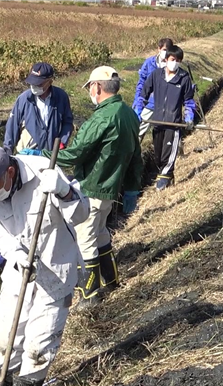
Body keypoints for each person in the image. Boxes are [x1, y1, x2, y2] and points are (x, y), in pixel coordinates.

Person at [0, 145, 89, 386]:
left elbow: (81, 215)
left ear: (9, 172)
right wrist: (15, 254)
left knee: (38, 347)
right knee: (3, 346)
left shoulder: (43, 172)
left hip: (55, 273)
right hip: (18, 271)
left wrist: (64, 192)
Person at [36, 66, 143, 306]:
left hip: (94, 185)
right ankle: (111, 279)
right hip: (111, 186)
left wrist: (43, 154)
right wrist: (132, 187)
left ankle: (90, 294)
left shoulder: (103, 117)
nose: (90, 91)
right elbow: (136, 154)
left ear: (96, 87)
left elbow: (75, 153)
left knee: (85, 238)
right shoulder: (127, 112)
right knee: (101, 232)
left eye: (90, 87)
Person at [139, 44, 197, 191]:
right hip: (157, 122)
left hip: (173, 124)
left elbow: (189, 101)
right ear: (166, 59)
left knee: (168, 154)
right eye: (172, 59)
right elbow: (143, 94)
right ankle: (166, 176)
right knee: (158, 155)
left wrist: (189, 116)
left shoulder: (183, 78)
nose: (175, 62)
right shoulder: (156, 75)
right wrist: (138, 110)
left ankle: (165, 176)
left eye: (178, 60)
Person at [3, 62, 73, 155]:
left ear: (50, 82)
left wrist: (62, 142)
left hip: (50, 154)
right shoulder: (24, 99)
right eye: (32, 83)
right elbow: (12, 127)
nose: (34, 86)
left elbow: (67, 122)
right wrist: (8, 153)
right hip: (27, 154)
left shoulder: (61, 97)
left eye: (39, 84)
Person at [133, 37, 174, 138]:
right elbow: (141, 83)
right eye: (164, 50)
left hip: (165, 105)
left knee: (166, 133)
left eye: (168, 50)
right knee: (138, 130)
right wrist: (138, 102)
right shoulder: (149, 63)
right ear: (159, 49)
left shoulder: (172, 65)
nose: (166, 52)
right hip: (149, 104)